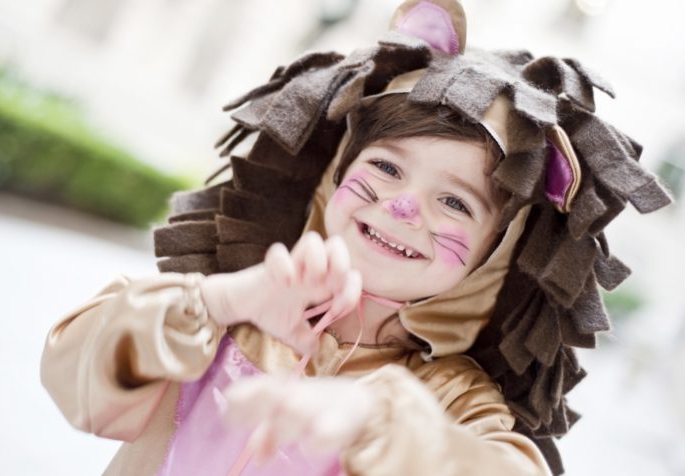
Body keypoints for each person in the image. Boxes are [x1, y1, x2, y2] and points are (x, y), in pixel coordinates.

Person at [40, 1, 671, 475]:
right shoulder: (219, 312)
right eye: (387, 168)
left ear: (494, 257)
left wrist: (383, 421)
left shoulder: (456, 400)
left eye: (453, 201)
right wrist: (225, 302)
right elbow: (77, 379)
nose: (403, 206)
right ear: (333, 177)